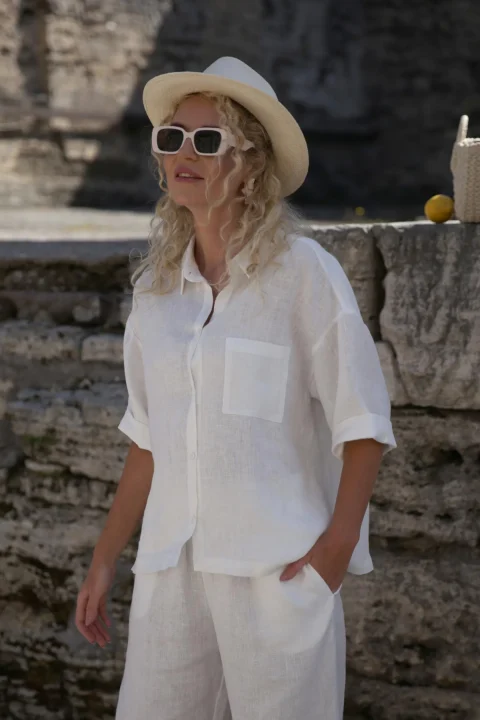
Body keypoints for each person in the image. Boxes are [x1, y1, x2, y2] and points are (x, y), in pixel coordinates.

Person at [75, 56, 397, 720]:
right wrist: (106, 559)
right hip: (171, 573)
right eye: (171, 138)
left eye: (207, 139)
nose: (183, 153)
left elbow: (362, 422)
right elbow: (148, 440)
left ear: (248, 160)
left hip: (276, 574)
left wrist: (333, 553)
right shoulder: (155, 294)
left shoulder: (303, 274)